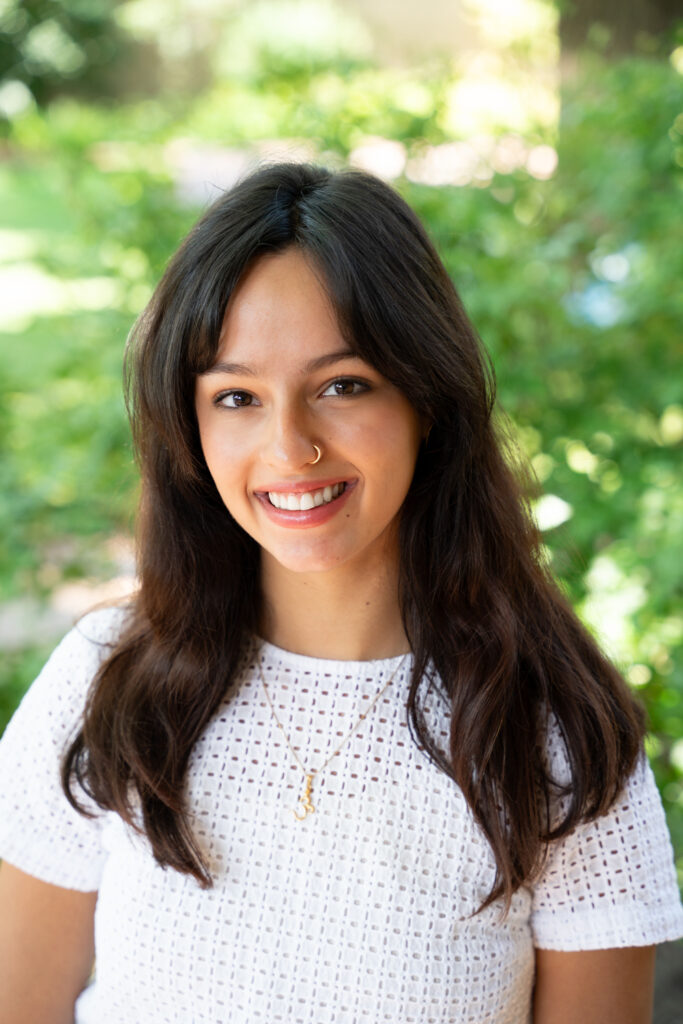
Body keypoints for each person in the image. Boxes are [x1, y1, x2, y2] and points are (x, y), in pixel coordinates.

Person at [0, 162, 681, 1024]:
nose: (289, 449)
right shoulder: (106, 680)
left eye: (341, 386)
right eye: (237, 396)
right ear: (190, 425)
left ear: (425, 397)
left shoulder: (552, 733)